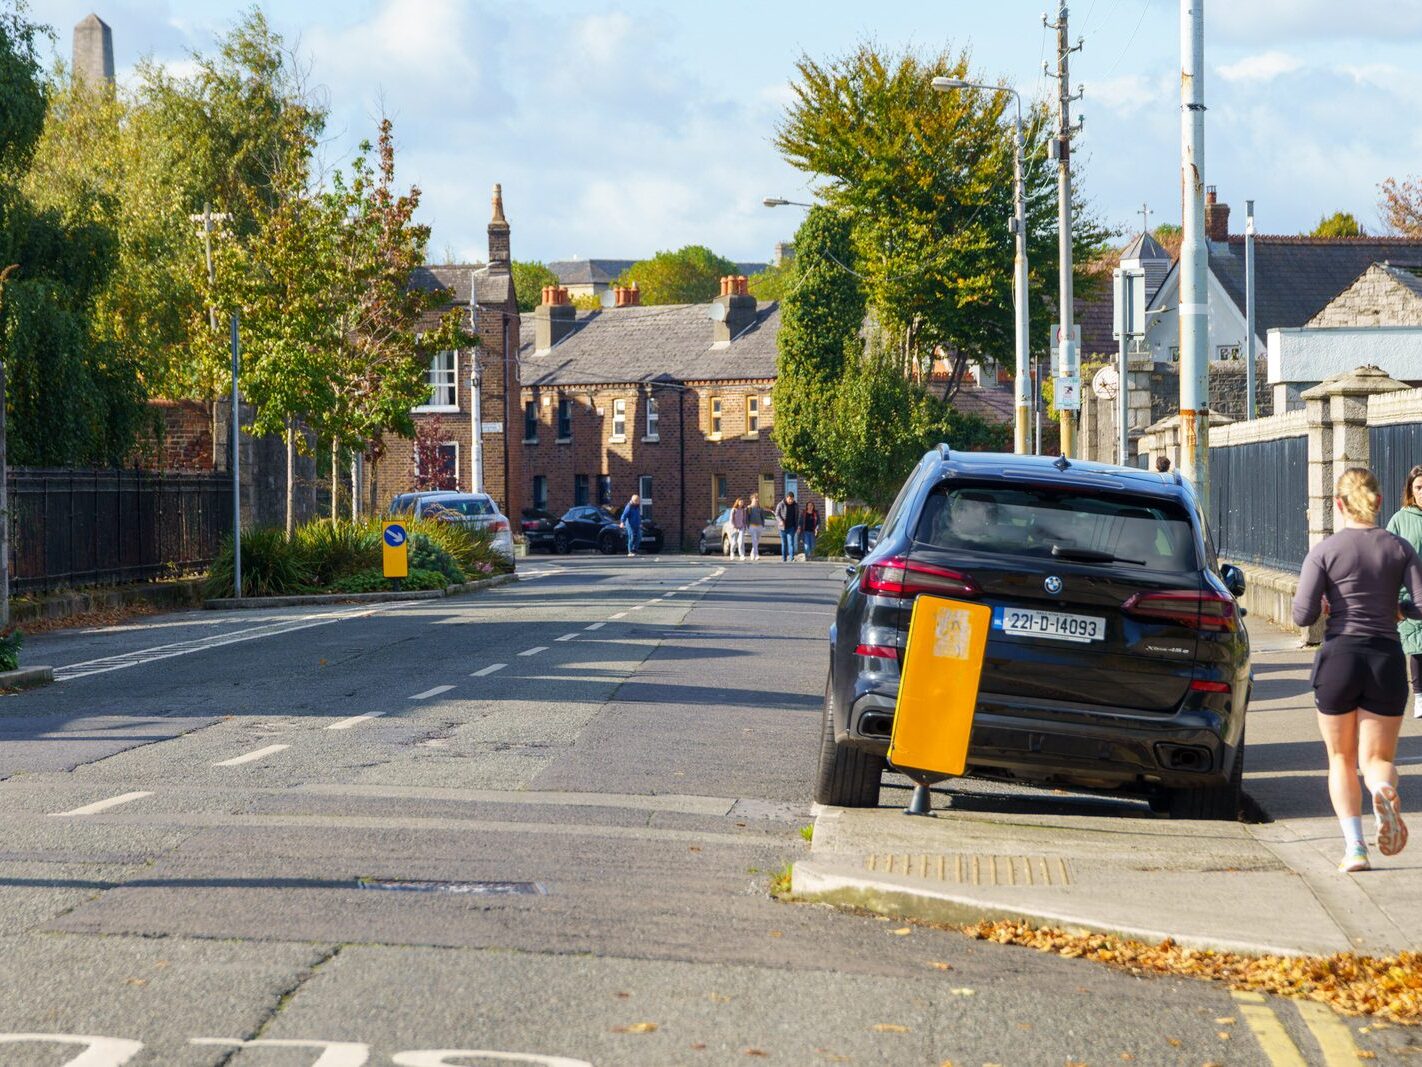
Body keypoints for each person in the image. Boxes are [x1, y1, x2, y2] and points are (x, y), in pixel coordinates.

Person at [1292, 467, 1421, 873]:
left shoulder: (1325, 551)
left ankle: (1356, 849)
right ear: (1380, 502)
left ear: (1338, 503)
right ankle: (1383, 788)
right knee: (1377, 758)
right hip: (1385, 657)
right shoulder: (1400, 548)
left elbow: (1301, 615)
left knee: (1341, 758)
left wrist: (1329, 604)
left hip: (1340, 658)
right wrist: (1398, 609)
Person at [1385, 463, 1422, 719]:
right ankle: (1420, 696)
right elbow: (1387, 558)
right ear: (1410, 490)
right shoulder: (1400, 519)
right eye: (1419, 487)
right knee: (1418, 649)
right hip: (1411, 596)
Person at [775, 492, 800, 563]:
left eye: (792, 499)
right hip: (782, 527)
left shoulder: (796, 505)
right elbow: (776, 514)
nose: (791, 501)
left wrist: (797, 526)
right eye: (789, 499)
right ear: (786, 498)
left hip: (791, 527)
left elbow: (797, 516)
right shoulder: (780, 504)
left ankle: (792, 558)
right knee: (784, 543)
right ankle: (784, 558)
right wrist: (780, 521)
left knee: (791, 542)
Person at [619, 494, 642, 558]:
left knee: (639, 536)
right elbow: (624, 515)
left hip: (637, 524)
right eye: (638, 501)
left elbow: (638, 516)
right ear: (634, 501)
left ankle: (635, 550)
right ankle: (630, 551)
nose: (639, 502)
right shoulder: (629, 507)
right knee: (631, 537)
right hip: (630, 525)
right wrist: (622, 522)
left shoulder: (636, 506)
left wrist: (640, 523)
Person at [746, 493, 765, 562]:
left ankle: (752, 553)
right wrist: (748, 525)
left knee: (757, 541)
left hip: (759, 526)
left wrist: (763, 525)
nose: (756, 500)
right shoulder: (749, 508)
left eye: (757, 498)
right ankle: (756, 555)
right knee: (754, 540)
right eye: (755, 498)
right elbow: (747, 518)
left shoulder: (760, 508)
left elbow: (762, 517)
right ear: (752, 499)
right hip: (752, 526)